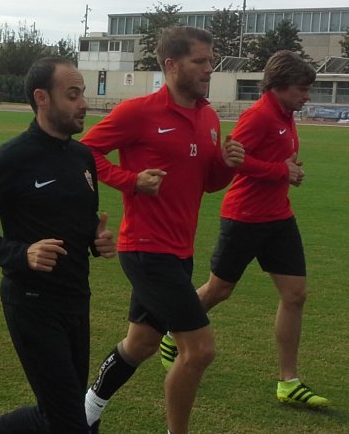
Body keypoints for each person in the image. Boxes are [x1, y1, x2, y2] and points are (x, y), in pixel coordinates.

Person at [81, 27, 244, 434]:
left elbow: (205, 182)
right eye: (200, 61)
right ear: (171, 65)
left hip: (179, 251)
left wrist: (226, 164)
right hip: (146, 249)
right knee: (200, 350)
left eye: (211, 60)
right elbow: (82, 152)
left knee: (141, 344)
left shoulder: (207, 116)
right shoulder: (139, 112)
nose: (209, 68)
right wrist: (130, 180)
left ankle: (83, 414)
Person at [0, 57, 117, 434]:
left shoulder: (82, 157)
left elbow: (79, 222)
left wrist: (96, 238)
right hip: (31, 303)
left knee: (59, 411)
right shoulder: (12, 158)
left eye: (83, 94)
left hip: (76, 298)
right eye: (72, 95)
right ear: (42, 98)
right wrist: (21, 254)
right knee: (73, 423)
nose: (83, 104)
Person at [165, 49, 330, 408]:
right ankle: (171, 329)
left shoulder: (286, 113)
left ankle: (288, 381)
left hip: (278, 218)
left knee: (295, 295)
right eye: (302, 89)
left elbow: (272, 159)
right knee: (219, 290)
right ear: (280, 86)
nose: (307, 96)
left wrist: (289, 168)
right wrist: (281, 171)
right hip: (243, 217)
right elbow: (234, 159)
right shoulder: (258, 115)